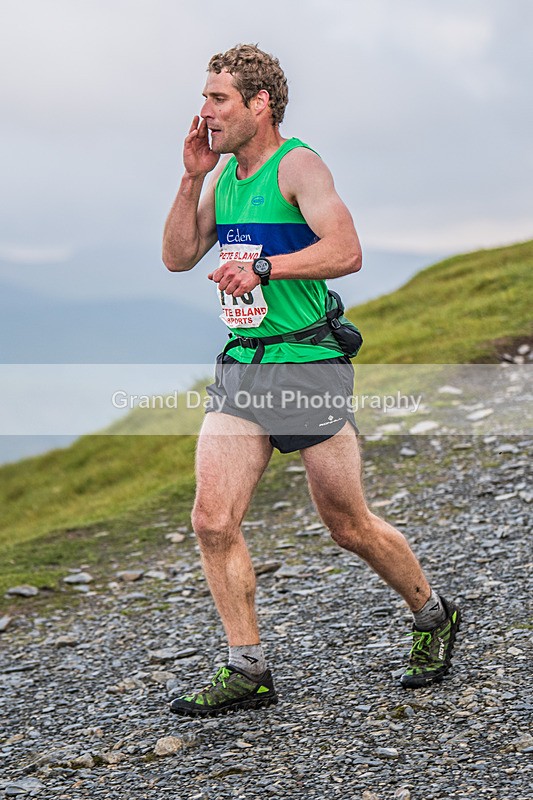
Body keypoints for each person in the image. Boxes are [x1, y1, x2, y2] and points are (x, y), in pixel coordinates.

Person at [162, 44, 460, 717]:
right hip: (245, 362)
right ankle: (247, 668)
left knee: (347, 525)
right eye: (205, 98)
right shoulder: (224, 176)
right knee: (212, 519)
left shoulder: (298, 165)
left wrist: (266, 267)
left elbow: (345, 251)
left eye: (218, 100)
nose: (204, 112)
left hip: (307, 362)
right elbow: (179, 256)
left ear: (258, 104)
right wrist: (189, 179)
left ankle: (432, 614)